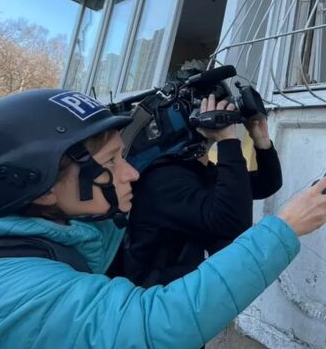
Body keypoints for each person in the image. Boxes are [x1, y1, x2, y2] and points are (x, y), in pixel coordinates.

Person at [0, 88, 326, 348]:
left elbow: (259, 186)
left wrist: (259, 138)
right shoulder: (164, 178)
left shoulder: (53, 228)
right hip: (155, 290)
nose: (130, 173)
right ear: (41, 186)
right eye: (111, 161)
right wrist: (283, 226)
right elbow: (156, 325)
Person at [117, 94, 283, 286]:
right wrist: (227, 140)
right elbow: (232, 222)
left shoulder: (197, 169)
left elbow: (266, 184)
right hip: (153, 293)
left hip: (181, 284)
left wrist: (262, 142)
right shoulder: (163, 180)